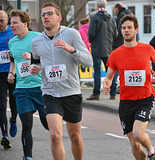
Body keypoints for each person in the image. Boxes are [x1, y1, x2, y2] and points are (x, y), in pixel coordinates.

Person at [30, 2, 92, 160]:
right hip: (50, 93)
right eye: (43, 14)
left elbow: (88, 61)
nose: (45, 17)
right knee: (55, 136)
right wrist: (34, 69)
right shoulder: (36, 42)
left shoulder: (72, 34)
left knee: (75, 137)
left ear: (59, 17)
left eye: (49, 13)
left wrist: (72, 50)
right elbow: (35, 63)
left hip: (71, 92)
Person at [103, 14, 155, 160]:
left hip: (145, 99)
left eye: (129, 28)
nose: (126, 30)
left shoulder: (147, 48)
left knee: (138, 133)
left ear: (136, 30)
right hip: (125, 102)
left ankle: (151, 151)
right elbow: (109, 76)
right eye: (123, 28)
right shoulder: (116, 54)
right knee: (134, 144)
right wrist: (106, 84)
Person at [7, 10, 49, 160]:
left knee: (48, 125)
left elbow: (50, 58)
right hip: (22, 89)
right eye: (10, 23)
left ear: (25, 24)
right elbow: (13, 62)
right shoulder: (11, 42)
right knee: (26, 124)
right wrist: (12, 74)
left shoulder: (38, 38)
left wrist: (32, 58)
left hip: (41, 88)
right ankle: (28, 157)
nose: (11, 25)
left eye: (15, 22)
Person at [87, 0, 118, 100]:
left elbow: (91, 34)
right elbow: (116, 34)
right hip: (108, 48)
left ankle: (96, 93)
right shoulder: (111, 18)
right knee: (111, 72)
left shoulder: (95, 18)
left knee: (97, 72)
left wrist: (93, 41)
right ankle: (112, 94)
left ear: (97, 5)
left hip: (97, 48)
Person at [0, 10, 17, 150]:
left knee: (14, 101)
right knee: (1, 104)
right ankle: (4, 134)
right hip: (0, 74)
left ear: (7, 20)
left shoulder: (13, 32)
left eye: (1, 21)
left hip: (13, 71)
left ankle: (13, 119)